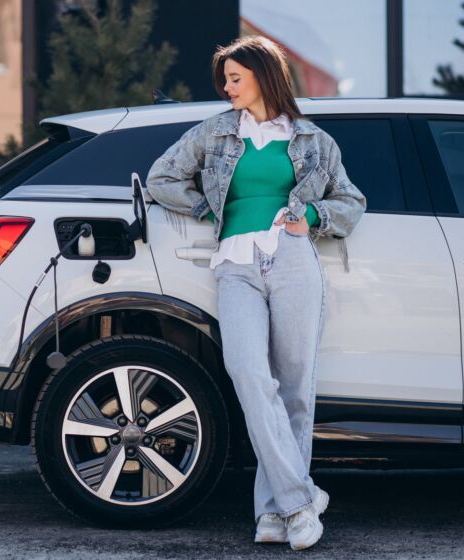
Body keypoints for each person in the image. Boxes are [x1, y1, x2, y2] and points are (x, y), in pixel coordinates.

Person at [145, 35, 366, 550]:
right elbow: (162, 178)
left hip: (292, 259)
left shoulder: (313, 141)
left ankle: (272, 514)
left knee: (294, 388)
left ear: (265, 77)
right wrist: (207, 209)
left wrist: (310, 216)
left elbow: (350, 201)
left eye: (235, 78)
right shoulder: (215, 132)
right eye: (225, 79)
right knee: (247, 373)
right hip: (235, 263)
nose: (227, 88)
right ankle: (300, 499)